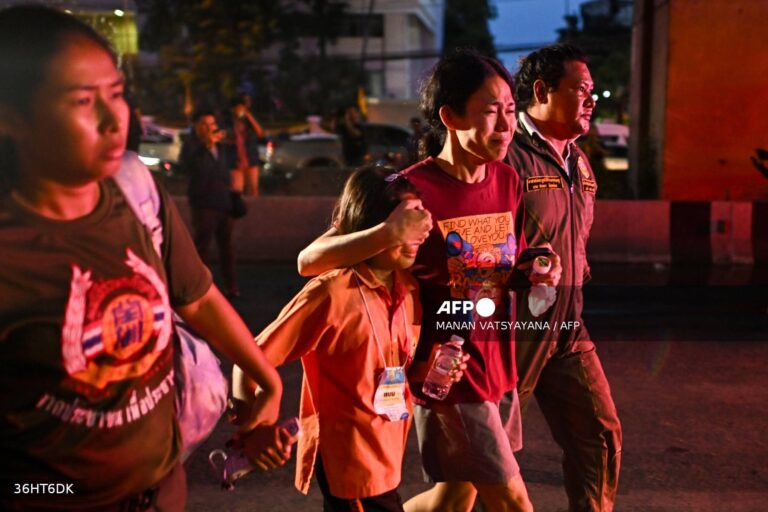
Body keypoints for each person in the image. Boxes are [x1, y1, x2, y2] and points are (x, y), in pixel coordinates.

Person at [0, 6, 283, 510]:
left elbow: (196, 296)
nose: (116, 120)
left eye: (116, 93)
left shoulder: (132, 190)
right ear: (11, 117)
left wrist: (266, 378)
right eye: (84, 101)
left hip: (160, 490)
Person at [298, 50, 563, 512]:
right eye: (489, 111)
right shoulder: (409, 190)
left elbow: (507, 267)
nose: (505, 126)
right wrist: (385, 231)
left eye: (509, 111)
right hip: (446, 375)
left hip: (498, 365)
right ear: (449, 116)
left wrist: (537, 267)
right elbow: (310, 259)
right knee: (512, 499)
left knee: (456, 495)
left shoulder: (506, 180)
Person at [234, 165, 466, 511]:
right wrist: (250, 425)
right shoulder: (333, 293)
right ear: (375, 227)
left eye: (421, 221)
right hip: (351, 466)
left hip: (387, 458)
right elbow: (251, 357)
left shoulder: (408, 288)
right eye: (406, 224)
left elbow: (395, 369)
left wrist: (428, 371)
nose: (419, 235)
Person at [506, 43, 622, 511]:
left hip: (569, 328)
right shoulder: (506, 154)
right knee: (488, 456)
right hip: (514, 330)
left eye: (594, 91)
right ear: (542, 91)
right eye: (581, 89)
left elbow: (574, 237)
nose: (592, 100)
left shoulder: (580, 162)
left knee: (599, 436)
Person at [179, 108, 241, 298]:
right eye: (204, 125)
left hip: (223, 202)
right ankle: (201, 289)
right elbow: (186, 167)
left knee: (227, 248)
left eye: (212, 124)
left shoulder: (220, 145)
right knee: (202, 248)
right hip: (203, 203)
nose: (209, 128)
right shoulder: (191, 145)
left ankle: (231, 286)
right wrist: (205, 145)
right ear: (196, 127)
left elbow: (227, 167)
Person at [225, 95, 264, 197]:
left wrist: (248, 116)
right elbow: (223, 137)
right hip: (235, 161)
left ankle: (255, 209)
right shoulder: (227, 122)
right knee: (237, 190)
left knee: (253, 189)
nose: (240, 111)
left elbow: (260, 132)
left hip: (250, 159)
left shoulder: (249, 122)